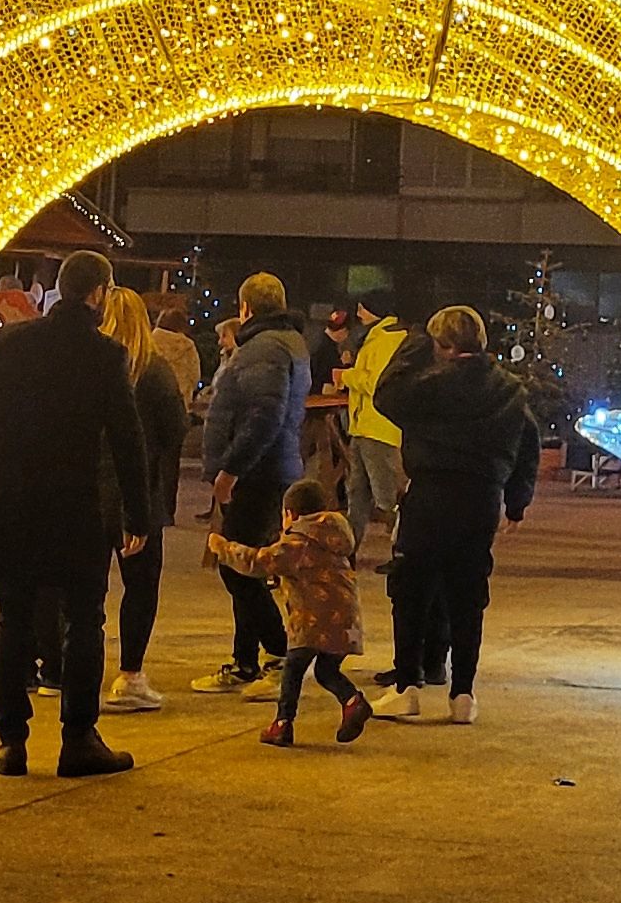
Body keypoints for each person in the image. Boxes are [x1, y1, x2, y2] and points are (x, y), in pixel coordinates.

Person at [0, 251, 152, 778]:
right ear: (100, 293)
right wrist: (137, 515)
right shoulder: (105, 354)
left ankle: (10, 742)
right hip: (77, 505)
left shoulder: (13, 342)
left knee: (13, 619)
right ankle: (78, 739)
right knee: (83, 620)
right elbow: (128, 440)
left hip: (14, 505)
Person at [372, 304, 535, 722]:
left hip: (431, 493)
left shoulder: (430, 385)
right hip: (482, 499)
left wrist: (413, 344)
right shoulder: (509, 389)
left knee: (411, 590)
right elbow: (528, 445)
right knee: (467, 597)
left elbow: (385, 395)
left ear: (442, 346)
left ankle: (407, 686)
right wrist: (515, 503)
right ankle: (463, 694)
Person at [195, 271, 309, 696]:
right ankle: (245, 662)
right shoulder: (285, 343)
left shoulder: (265, 348)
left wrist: (230, 471)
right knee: (242, 564)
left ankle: (280, 656)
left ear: (245, 308)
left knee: (239, 569)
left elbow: (263, 415)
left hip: (257, 473)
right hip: (269, 468)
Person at [211, 479, 371, 746]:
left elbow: (257, 561)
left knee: (292, 670)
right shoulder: (336, 536)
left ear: (291, 514)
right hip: (346, 619)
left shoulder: (298, 543)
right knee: (326, 671)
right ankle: (353, 701)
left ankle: (283, 723)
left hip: (312, 620)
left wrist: (222, 548)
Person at [101, 283, 190, 715]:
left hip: (89, 493)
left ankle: (64, 670)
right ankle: (130, 674)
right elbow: (175, 429)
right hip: (141, 492)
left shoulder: (88, 367)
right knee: (140, 586)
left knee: (84, 589)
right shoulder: (153, 371)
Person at [344, 304, 413, 562]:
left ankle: (405, 552)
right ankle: (347, 552)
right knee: (357, 495)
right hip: (364, 426)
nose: (359, 315)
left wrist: (347, 376)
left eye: (362, 309)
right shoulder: (378, 336)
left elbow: (375, 382)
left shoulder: (388, 339)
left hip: (378, 428)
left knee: (387, 498)